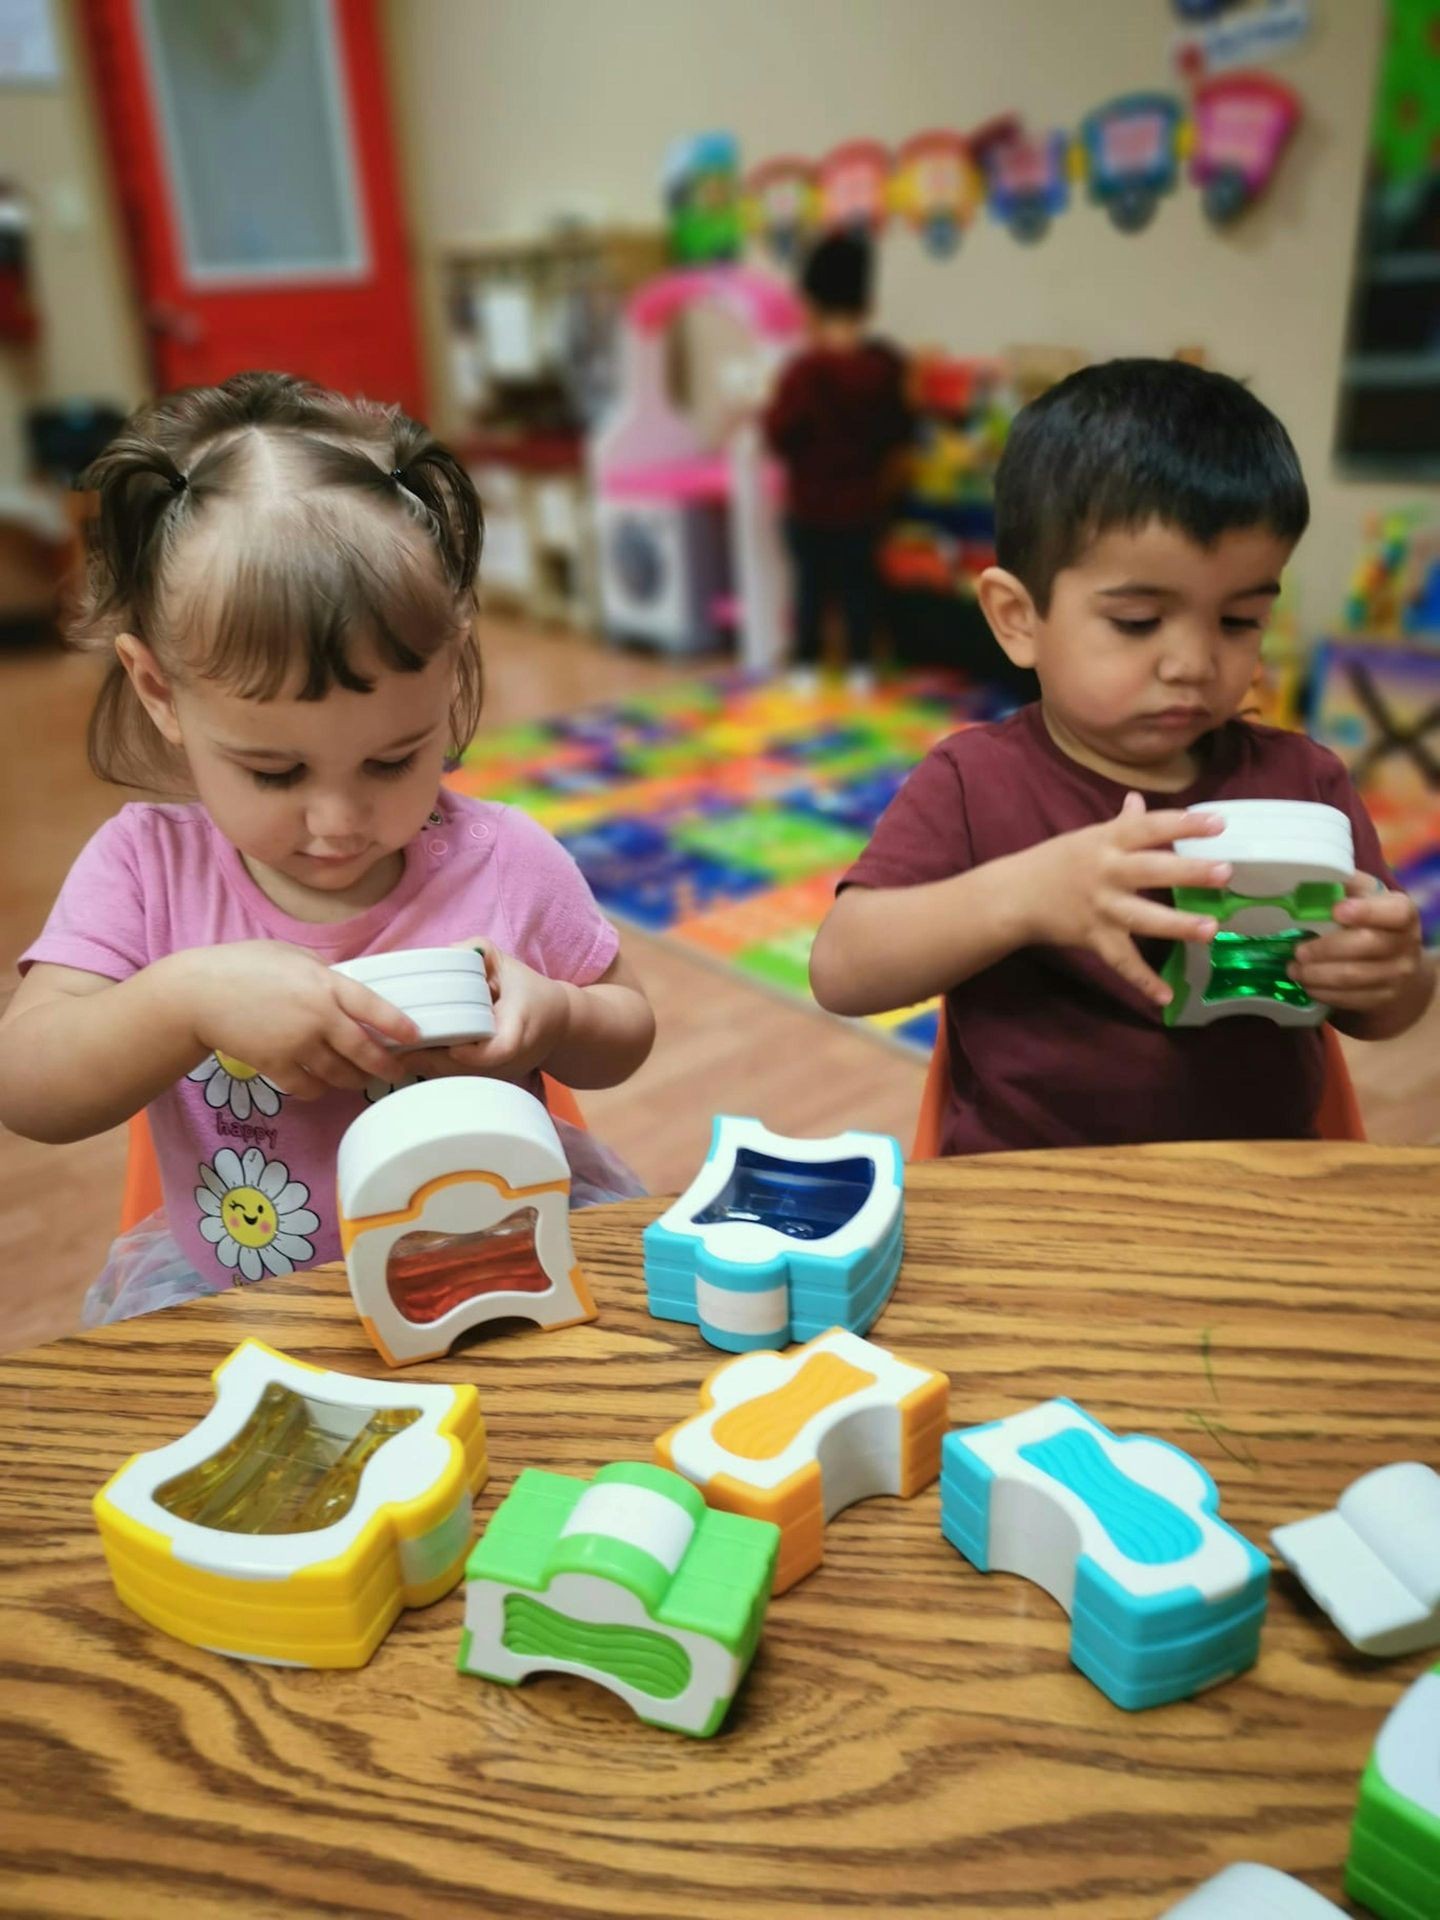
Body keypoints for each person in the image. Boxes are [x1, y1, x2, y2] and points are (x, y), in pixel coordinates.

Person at [0, 371, 655, 1323]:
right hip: (256, 1303)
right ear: (156, 691)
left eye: (395, 759)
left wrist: (554, 1015)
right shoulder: (145, 869)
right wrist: (185, 1000)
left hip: (499, 1270)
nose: (339, 821)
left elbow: (627, 1026)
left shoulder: (503, 856)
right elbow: (29, 1086)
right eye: (275, 773)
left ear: (451, 674)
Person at [809, 358, 1434, 1154]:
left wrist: (1392, 972)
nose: (1194, 663)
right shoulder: (974, 781)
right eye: (1139, 621)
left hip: (1259, 1193)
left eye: (1240, 620)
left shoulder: (1304, 783)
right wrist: (1024, 895)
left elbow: (1384, 1010)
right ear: (1017, 618)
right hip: (1029, 1202)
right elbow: (842, 969)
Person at [763, 229, 910, 695]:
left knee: (810, 590)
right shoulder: (886, 370)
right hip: (864, 507)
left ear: (809, 306)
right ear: (867, 305)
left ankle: (806, 666)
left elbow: (777, 436)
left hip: (809, 508)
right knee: (858, 591)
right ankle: (861, 668)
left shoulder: (803, 373)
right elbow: (898, 433)